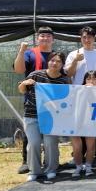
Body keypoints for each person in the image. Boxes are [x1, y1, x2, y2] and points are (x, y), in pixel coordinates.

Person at [18, 52, 69, 181]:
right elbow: (22, 89)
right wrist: (25, 83)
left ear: (62, 64)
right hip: (32, 115)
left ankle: (51, 169)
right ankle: (34, 171)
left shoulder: (63, 80)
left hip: (52, 117)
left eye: (58, 61)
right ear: (48, 62)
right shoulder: (35, 75)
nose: (55, 63)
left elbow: (68, 98)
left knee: (50, 142)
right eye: (52, 60)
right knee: (34, 143)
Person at [13, 26, 55, 174]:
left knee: (50, 132)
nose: (45, 38)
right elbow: (18, 70)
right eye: (42, 36)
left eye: (48, 36)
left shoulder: (56, 56)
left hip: (52, 101)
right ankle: (26, 161)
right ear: (38, 38)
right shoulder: (30, 53)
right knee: (31, 133)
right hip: (32, 100)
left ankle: (49, 162)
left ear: (53, 39)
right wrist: (21, 51)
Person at [64, 26, 96, 162]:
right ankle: (79, 153)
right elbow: (69, 73)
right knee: (80, 122)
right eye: (84, 37)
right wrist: (75, 61)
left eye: (89, 37)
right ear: (80, 39)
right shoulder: (74, 54)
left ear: (94, 38)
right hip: (79, 94)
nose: (87, 40)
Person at [71, 70, 96, 178]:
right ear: (84, 80)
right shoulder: (77, 90)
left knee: (91, 146)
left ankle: (88, 166)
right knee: (77, 147)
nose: (91, 81)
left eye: (94, 78)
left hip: (92, 122)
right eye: (88, 78)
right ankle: (78, 166)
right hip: (76, 122)